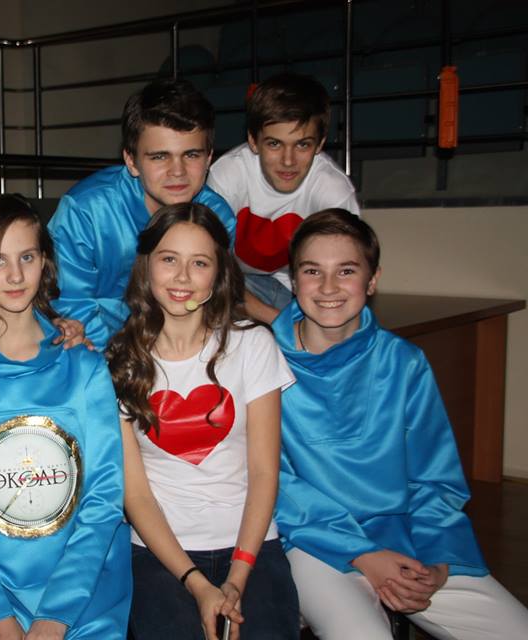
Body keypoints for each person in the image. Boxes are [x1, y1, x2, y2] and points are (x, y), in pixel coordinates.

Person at [273, 209, 528, 640]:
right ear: (294, 282)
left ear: (372, 281)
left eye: (346, 270)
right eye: (313, 271)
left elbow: (435, 477)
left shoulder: (404, 362)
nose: (329, 287)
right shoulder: (261, 361)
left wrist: (438, 560)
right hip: (312, 540)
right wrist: (363, 554)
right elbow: (270, 484)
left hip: (407, 536)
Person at [108, 203, 298, 640]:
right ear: (146, 266)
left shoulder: (252, 345)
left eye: (199, 263)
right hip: (160, 553)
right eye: (168, 259)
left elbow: (264, 472)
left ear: (218, 273)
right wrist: (197, 584)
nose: (182, 277)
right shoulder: (120, 361)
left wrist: (237, 577)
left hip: (250, 546)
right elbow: (136, 496)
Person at [0, 194, 131, 639]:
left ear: (45, 262)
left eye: (26, 257)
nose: (15, 276)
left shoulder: (83, 366)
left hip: (88, 602)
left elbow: (104, 498)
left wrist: (55, 618)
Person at [48, 78, 235, 348]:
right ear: (131, 161)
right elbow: (71, 308)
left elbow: (217, 302)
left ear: (209, 159)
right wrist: (133, 356)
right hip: (101, 349)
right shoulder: (87, 211)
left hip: (185, 348)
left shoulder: (218, 216)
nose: (178, 171)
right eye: (159, 156)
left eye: (191, 155)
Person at [207, 73, 359, 324]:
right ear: (253, 141)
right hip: (237, 285)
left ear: (320, 144)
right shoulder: (227, 176)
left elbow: (348, 275)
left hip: (301, 290)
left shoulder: (333, 191)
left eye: (302, 145)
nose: (288, 161)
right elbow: (206, 268)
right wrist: (279, 322)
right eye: (275, 144)